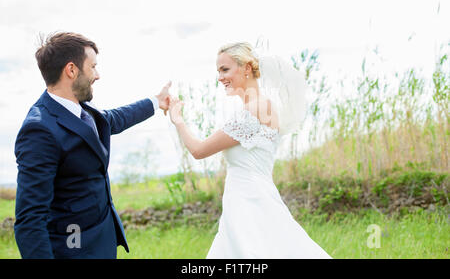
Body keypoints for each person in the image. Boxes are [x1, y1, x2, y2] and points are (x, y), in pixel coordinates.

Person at [14, 32, 171, 258]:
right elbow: (30, 220)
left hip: (102, 237)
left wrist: (156, 102)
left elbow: (115, 119)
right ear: (71, 70)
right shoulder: (39, 129)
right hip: (74, 245)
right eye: (93, 67)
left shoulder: (83, 109)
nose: (97, 75)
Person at [168, 42, 332, 258]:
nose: (220, 77)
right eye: (218, 71)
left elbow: (199, 150)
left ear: (246, 68)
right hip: (248, 198)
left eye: (225, 69)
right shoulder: (261, 106)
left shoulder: (256, 108)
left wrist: (178, 120)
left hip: (249, 201)